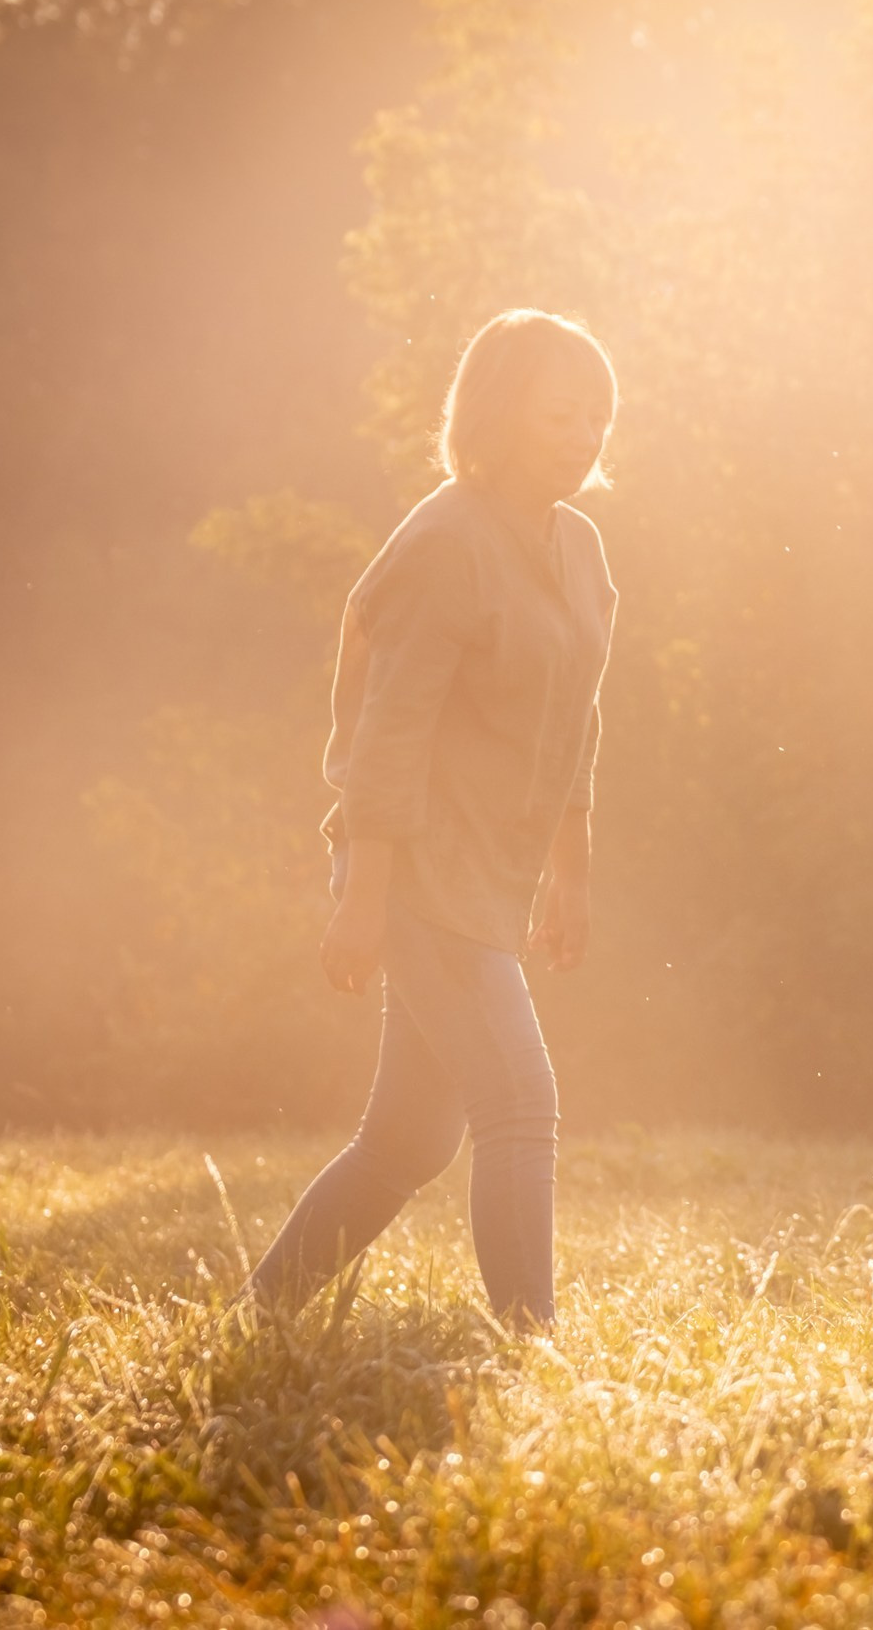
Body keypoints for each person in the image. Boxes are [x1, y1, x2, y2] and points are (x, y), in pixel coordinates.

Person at [247, 309, 619, 1333]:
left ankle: (262, 1313)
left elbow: (575, 718)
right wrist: (363, 899)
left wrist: (570, 874)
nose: (584, 434)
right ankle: (528, 1344)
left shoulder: (579, 549)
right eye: (560, 413)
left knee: (407, 1142)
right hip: (413, 875)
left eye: (598, 416)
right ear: (497, 413)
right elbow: (389, 736)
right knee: (520, 1103)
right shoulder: (444, 541)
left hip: (484, 883)